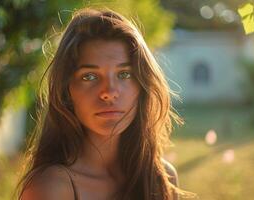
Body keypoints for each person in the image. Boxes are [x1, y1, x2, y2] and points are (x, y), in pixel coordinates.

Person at [17, 7, 192, 200]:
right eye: (89, 76)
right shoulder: (52, 188)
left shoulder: (160, 177)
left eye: (124, 74)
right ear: (67, 91)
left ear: (142, 87)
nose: (109, 92)